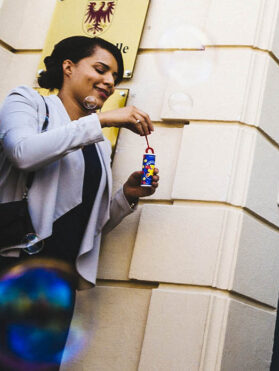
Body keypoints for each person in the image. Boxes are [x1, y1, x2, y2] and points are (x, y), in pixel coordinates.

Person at [0, 35, 160, 366]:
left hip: (58, 284)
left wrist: (126, 197)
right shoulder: (27, 102)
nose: (109, 82)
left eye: (115, 76)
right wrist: (100, 120)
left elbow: (89, 223)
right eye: (101, 69)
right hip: (12, 269)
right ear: (68, 67)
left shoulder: (97, 146)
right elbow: (22, 153)